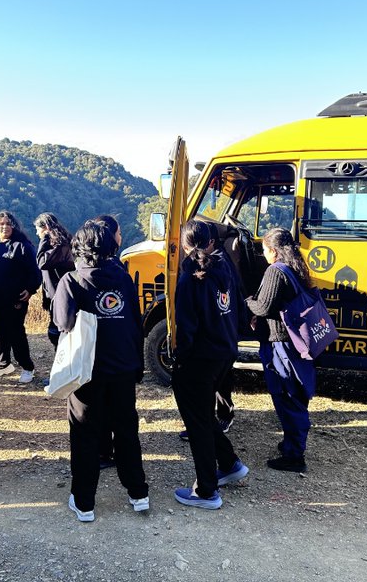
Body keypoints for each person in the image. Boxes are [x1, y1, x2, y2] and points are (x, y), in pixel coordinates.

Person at [52, 220, 149, 522]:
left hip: (87, 371)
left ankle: (84, 503)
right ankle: (138, 494)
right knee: (126, 430)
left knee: (85, 434)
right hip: (122, 367)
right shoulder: (123, 278)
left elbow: (63, 323)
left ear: (79, 247)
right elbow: (137, 323)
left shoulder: (71, 280)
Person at [170, 219, 248, 509]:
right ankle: (229, 464)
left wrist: (180, 359)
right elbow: (237, 305)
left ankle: (206, 491)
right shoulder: (224, 266)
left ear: (185, 244)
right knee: (204, 413)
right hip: (224, 351)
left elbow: (187, 327)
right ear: (212, 243)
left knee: (198, 421)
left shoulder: (190, 278)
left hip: (200, 357)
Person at [243, 227, 317, 472]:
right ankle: (291, 444)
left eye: (264, 250)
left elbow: (263, 307)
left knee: (286, 395)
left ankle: (295, 456)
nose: (263, 255)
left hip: (280, 344)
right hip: (294, 343)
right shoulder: (296, 268)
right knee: (296, 394)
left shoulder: (275, 271)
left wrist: (247, 302)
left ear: (273, 251)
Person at [0, 210, 41, 381]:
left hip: (15, 299)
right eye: (1, 224)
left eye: (8, 224)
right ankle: (3, 364)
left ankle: (27, 367)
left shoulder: (23, 246)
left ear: (14, 226)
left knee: (15, 333)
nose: (4, 227)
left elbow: (34, 272)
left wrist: (31, 289)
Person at [33, 212, 74, 348]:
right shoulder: (58, 244)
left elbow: (42, 262)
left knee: (58, 332)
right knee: (57, 331)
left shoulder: (60, 245)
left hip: (61, 296)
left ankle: (64, 364)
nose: (37, 233)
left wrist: (44, 238)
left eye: (38, 229)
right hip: (57, 295)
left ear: (45, 227)